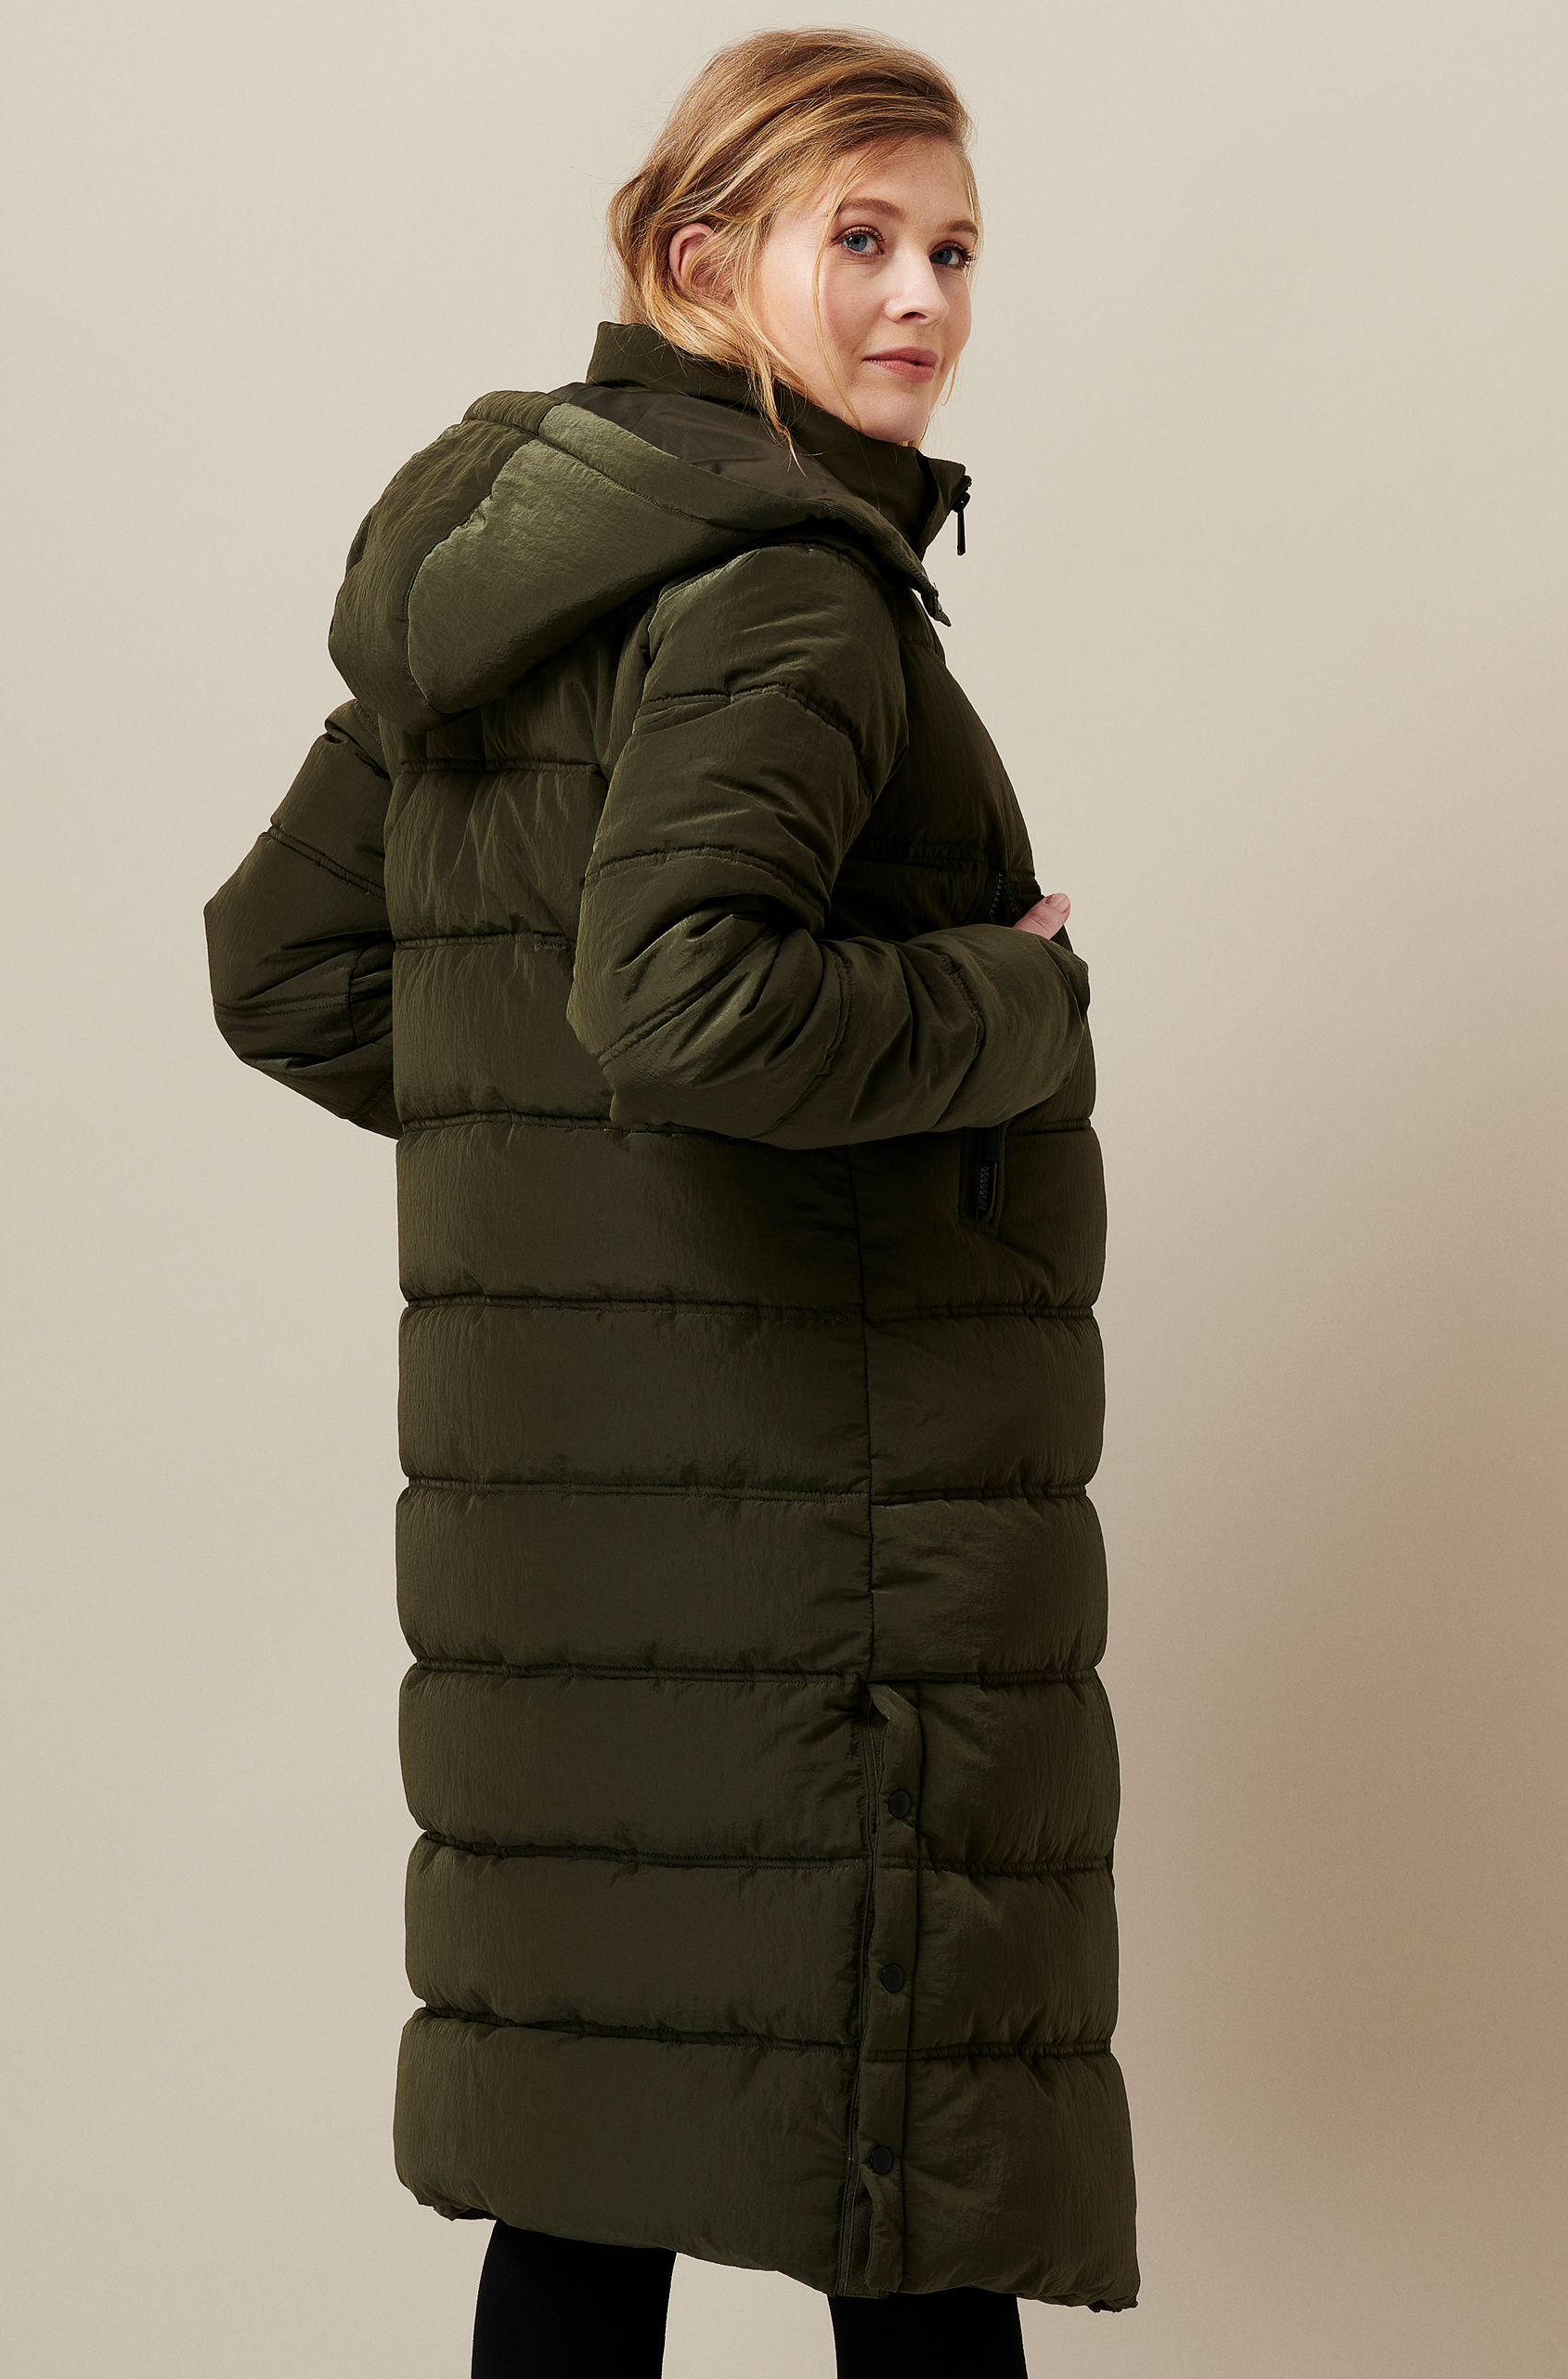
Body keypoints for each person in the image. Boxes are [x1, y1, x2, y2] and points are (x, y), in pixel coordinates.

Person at [205, 26, 1137, 2375]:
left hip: (563, 1573)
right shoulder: (789, 588)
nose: (921, 298)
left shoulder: (511, 588)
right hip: (831, 1555)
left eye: (952, 250)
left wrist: (577, 1191)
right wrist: (1012, 1002)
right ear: (698, 258)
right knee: (901, 2192)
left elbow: (286, 965)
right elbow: (686, 1009)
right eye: (862, 238)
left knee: (587, 2175)